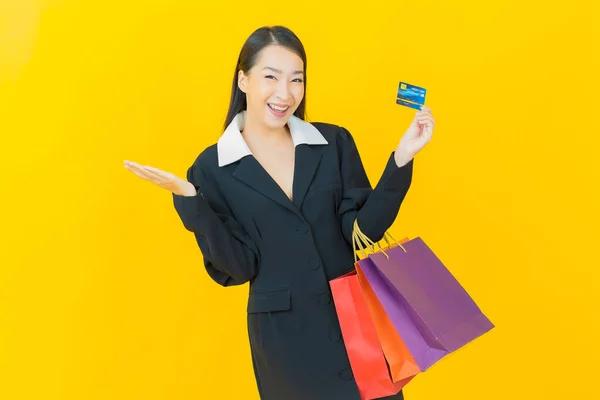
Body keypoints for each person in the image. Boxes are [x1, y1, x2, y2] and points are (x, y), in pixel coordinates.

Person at [124, 25, 434, 400]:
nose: (284, 93)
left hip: (359, 326)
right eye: (270, 77)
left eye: (296, 80)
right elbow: (239, 267)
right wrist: (189, 198)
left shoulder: (332, 142)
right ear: (243, 79)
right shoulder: (212, 167)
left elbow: (360, 231)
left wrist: (402, 159)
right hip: (287, 342)